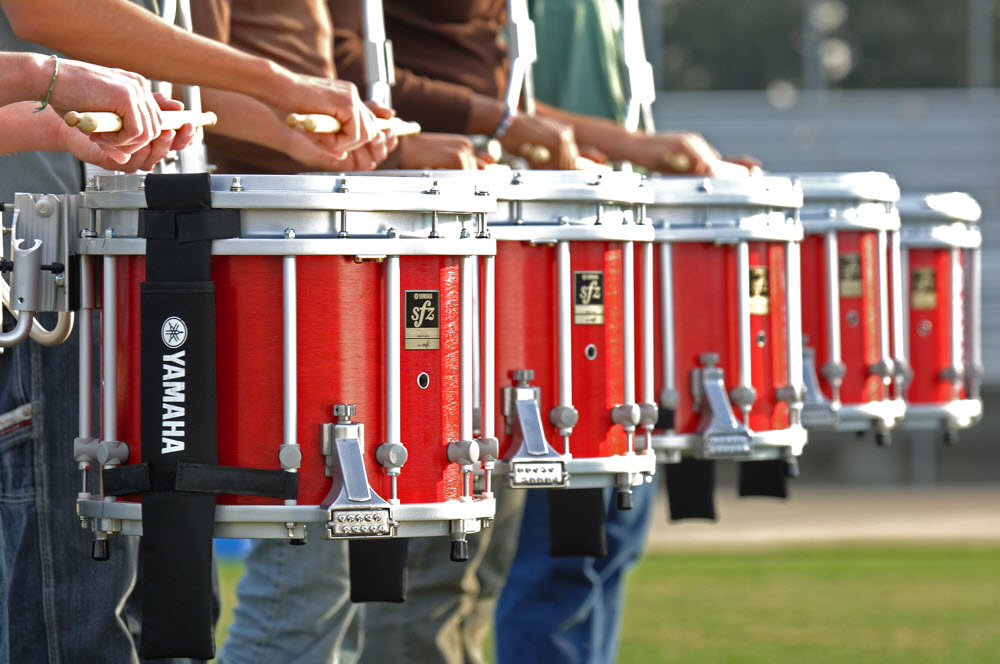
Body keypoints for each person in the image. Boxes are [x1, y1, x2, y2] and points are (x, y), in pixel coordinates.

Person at [0, 1, 389, 662]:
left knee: (173, 616)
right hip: (57, 269)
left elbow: (132, 79)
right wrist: (278, 84)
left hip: (138, 259)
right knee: (79, 621)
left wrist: (276, 122)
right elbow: (49, 15)